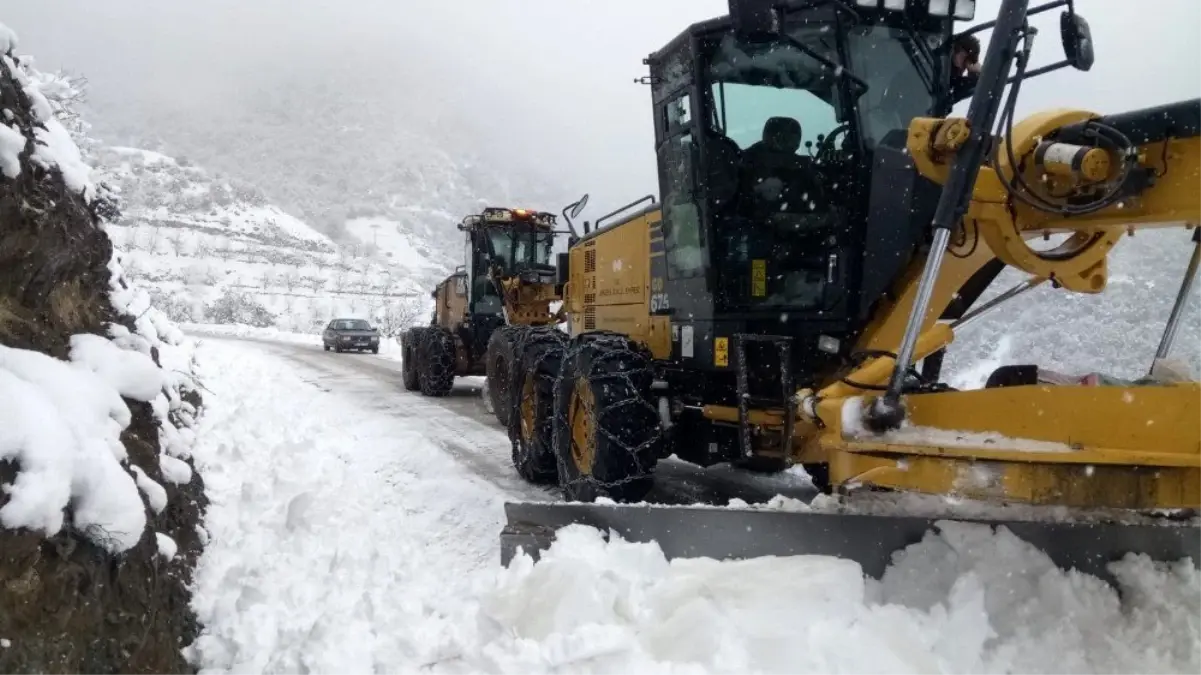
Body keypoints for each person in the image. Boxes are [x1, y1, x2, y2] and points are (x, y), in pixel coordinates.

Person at [949, 33, 982, 104]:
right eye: (965, 58)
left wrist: (975, 73)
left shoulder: (950, 80)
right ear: (955, 49)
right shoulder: (938, 70)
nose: (965, 66)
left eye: (968, 61)